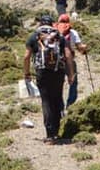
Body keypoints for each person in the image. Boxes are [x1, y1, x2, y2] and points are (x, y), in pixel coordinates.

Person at [23, 14, 76, 143]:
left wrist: (26, 73)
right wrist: (70, 74)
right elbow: (68, 55)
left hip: (42, 72)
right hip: (58, 71)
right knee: (57, 98)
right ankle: (57, 132)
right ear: (52, 24)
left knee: (46, 101)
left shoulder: (34, 36)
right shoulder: (59, 35)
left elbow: (26, 57)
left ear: (40, 24)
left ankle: (50, 134)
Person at [55, 13, 88, 105]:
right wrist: (84, 48)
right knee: (73, 82)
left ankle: (59, 104)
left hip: (56, 61)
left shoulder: (54, 31)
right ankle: (70, 103)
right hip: (70, 61)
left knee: (58, 84)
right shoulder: (73, 32)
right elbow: (80, 47)